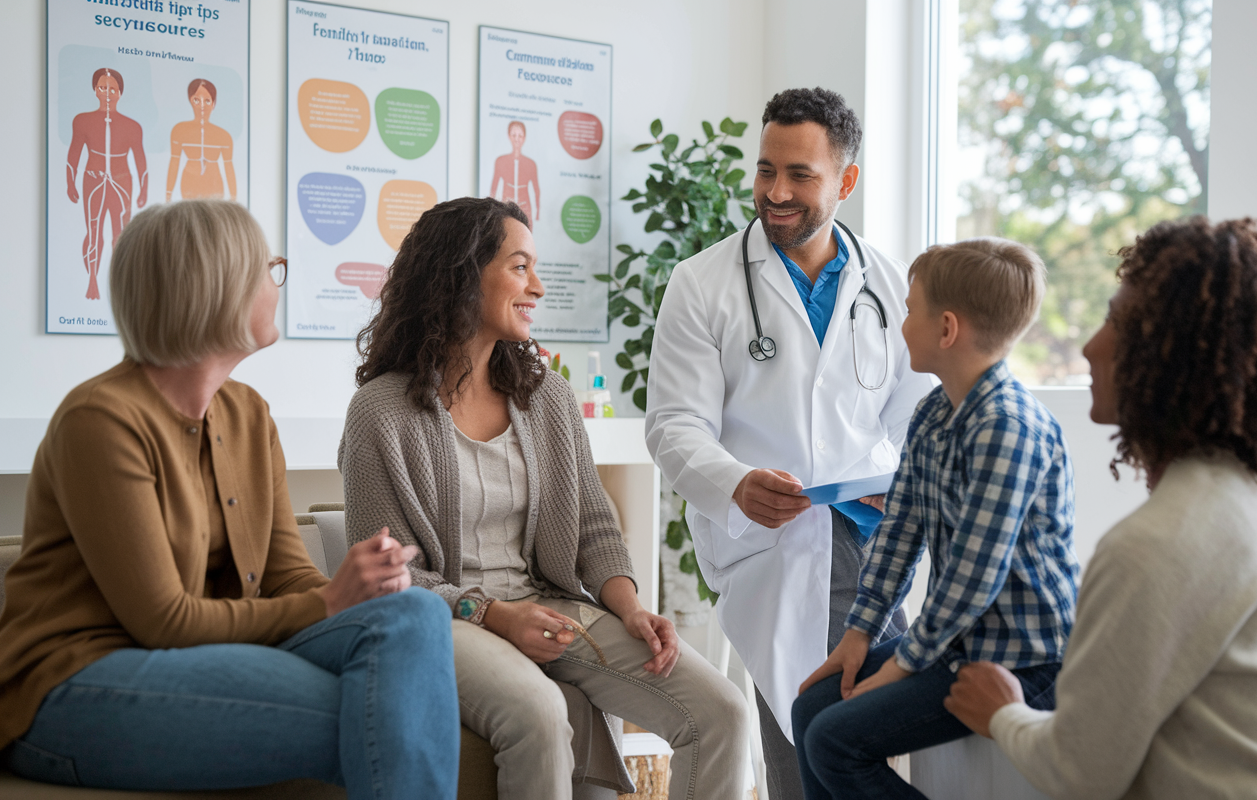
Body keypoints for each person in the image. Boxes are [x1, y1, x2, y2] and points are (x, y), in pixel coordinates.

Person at [0, 200, 459, 798]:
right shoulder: (101, 420)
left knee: (416, 612)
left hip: (201, 654)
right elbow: (164, 621)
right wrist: (329, 602)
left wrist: (360, 588)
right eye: (269, 268)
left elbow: (285, 573)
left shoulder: (247, 413)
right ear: (214, 287)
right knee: (381, 713)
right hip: (72, 682)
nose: (278, 283)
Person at [339, 196, 749, 800]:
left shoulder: (548, 398)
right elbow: (390, 578)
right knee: (540, 711)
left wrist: (631, 607)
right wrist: (498, 616)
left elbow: (594, 530)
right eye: (519, 266)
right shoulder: (381, 412)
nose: (537, 284)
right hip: (444, 621)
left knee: (722, 712)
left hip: (554, 609)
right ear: (461, 275)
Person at [645, 86, 934, 798]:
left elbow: (918, 406)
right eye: (766, 169)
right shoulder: (702, 283)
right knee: (809, 739)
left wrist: (892, 477)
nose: (775, 192)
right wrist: (734, 483)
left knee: (842, 741)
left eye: (800, 175)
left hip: (870, 535)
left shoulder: (891, 284)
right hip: (767, 540)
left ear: (846, 181)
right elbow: (674, 425)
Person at [946, 217, 1257, 799]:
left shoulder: (1154, 547)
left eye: (1117, 324)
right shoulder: (1252, 502)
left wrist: (1002, 711)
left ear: (1173, 358)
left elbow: (1079, 773)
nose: (1089, 346)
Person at [791, 237, 1077, 798]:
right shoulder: (933, 412)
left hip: (1026, 662)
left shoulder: (1007, 426)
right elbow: (901, 531)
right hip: (960, 643)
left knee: (834, 741)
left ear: (946, 329)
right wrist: (858, 636)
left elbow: (974, 577)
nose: (900, 326)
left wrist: (901, 667)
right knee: (811, 710)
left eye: (909, 311)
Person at [66, 67, 147, 300]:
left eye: (112, 89)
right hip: (93, 180)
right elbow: (74, 154)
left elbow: (140, 159)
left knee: (120, 235)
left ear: (120, 92)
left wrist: (144, 188)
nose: (108, 92)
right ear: (95, 90)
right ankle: (92, 281)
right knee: (94, 232)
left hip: (123, 182)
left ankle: (119, 287)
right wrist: (70, 182)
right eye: (103, 87)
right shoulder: (82, 121)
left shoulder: (133, 126)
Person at [166, 78, 237, 202]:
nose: (202, 106)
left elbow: (229, 167)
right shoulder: (179, 130)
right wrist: (168, 195)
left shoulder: (224, 135)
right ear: (190, 101)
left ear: (214, 104)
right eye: (197, 100)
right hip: (189, 184)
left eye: (207, 101)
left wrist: (234, 200)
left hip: (214, 185)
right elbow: (174, 162)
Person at [489, 120, 539, 228]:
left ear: (524, 138)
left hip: (525, 207)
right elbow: (494, 187)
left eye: (520, 136)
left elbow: (536, 189)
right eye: (514, 135)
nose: (517, 139)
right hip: (505, 209)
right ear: (509, 136)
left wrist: (538, 211)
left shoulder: (531, 164)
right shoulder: (500, 161)